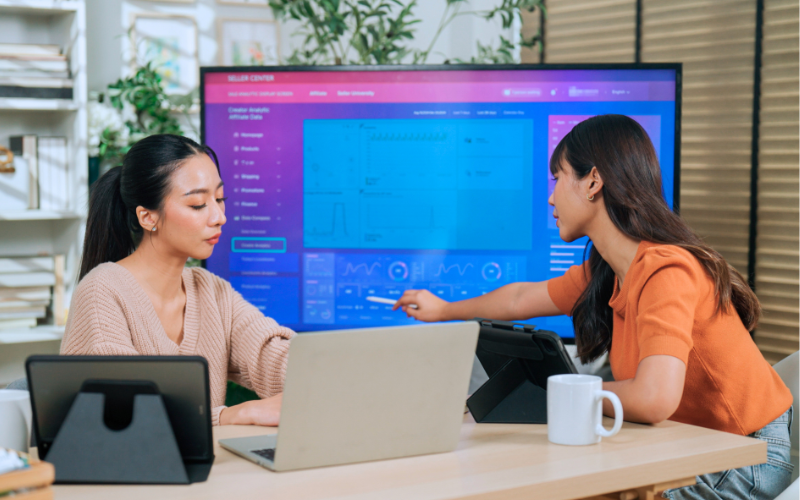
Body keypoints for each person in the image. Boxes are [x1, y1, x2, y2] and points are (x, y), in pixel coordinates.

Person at [394, 115, 794, 500]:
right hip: (687, 442)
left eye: (558, 178)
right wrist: (443, 310)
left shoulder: (667, 271)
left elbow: (655, 398)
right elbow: (519, 298)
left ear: (593, 182)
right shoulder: (608, 272)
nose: (551, 197)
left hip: (745, 454)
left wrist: (559, 392)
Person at [61, 134, 292, 427]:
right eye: (198, 204)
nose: (219, 216)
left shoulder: (212, 290)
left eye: (220, 199)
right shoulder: (102, 291)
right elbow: (124, 414)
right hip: (126, 470)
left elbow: (272, 357)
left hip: (205, 470)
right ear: (147, 217)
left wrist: (321, 370)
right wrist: (232, 414)